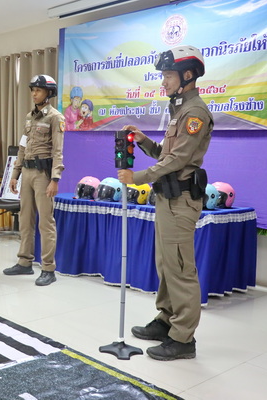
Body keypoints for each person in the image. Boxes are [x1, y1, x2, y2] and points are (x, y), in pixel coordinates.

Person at [117, 45, 213, 361]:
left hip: (181, 201)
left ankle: (183, 339)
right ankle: (166, 321)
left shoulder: (195, 113)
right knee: (167, 265)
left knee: (181, 269)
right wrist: (144, 141)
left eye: (168, 75)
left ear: (188, 75)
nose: (164, 81)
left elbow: (178, 160)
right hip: (168, 198)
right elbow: (166, 155)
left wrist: (137, 177)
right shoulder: (179, 111)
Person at [3, 74, 65, 286]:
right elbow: (22, 147)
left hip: (43, 174)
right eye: (32, 90)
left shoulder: (55, 117)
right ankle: (24, 262)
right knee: (25, 219)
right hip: (27, 172)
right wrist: (15, 174)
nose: (34, 94)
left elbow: (58, 151)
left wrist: (55, 179)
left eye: (38, 90)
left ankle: (48, 268)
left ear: (48, 92)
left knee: (46, 222)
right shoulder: (29, 117)